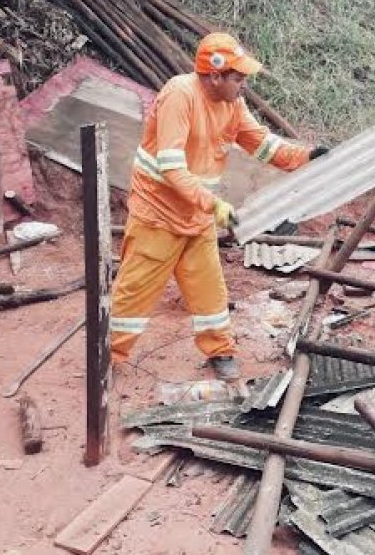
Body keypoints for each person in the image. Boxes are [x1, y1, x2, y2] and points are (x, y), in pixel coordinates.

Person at [111, 32, 327, 381]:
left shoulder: (232, 105)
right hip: (158, 216)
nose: (244, 86)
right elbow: (171, 168)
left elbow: (264, 145)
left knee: (210, 291)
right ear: (214, 76)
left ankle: (220, 351)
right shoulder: (180, 96)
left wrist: (306, 155)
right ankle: (108, 356)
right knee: (133, 294)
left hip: (197, 218)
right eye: (238, 78)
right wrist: (215, 205)